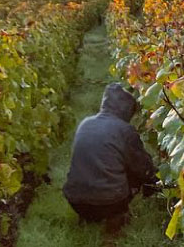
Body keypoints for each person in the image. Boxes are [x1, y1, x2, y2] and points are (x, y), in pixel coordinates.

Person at [63, 83, 157, 231]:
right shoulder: (125, 130)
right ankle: (117, 218)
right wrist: (154, 182)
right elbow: (142, 167)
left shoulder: (85, 123)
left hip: (75, 200)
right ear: (127, 110)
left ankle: (87, 218)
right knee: (133, 170)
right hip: (109, 203)